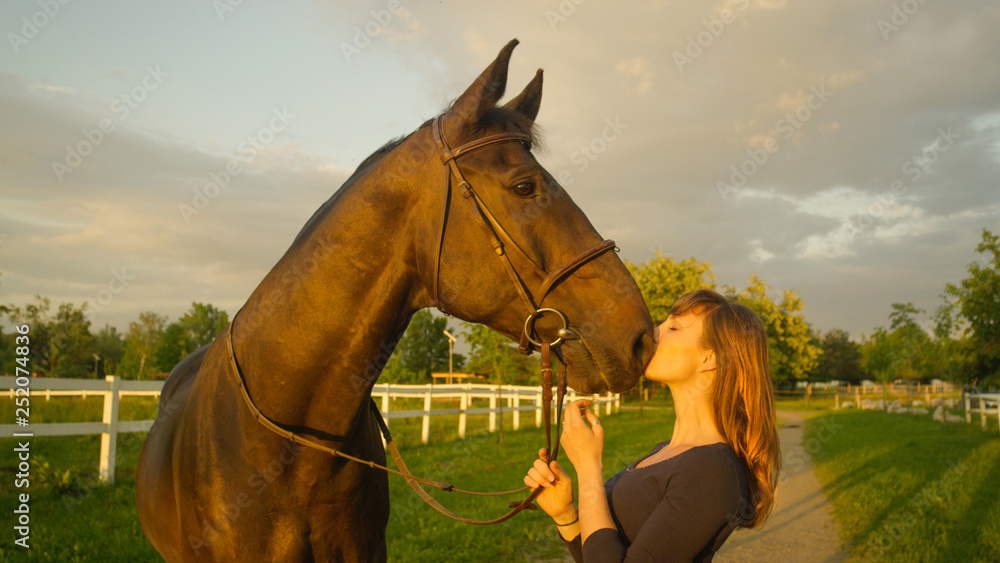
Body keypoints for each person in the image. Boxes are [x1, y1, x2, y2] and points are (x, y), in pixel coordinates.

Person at [524, 289, 780, 561]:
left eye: (673, 327)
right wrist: (566, 515)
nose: (653, 333)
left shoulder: (713, 470)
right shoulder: (667, 451)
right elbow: (602, 554)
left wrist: (588, 468)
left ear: (710, 358)